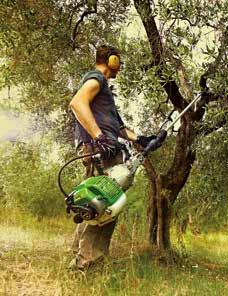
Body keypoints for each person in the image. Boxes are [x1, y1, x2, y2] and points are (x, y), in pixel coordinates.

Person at [69, 45, 155, 270]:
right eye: (120, 61)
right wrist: (99, 138)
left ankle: (79, 254)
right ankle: (88, 263)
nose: (121, 66)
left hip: (105, 148)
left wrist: (142, 139)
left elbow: (118, 128)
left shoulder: (105, 90)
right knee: (106, 203)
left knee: (92, 202)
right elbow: (77, 103)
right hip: (100, 150)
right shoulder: (95, 78)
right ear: (113, 60)